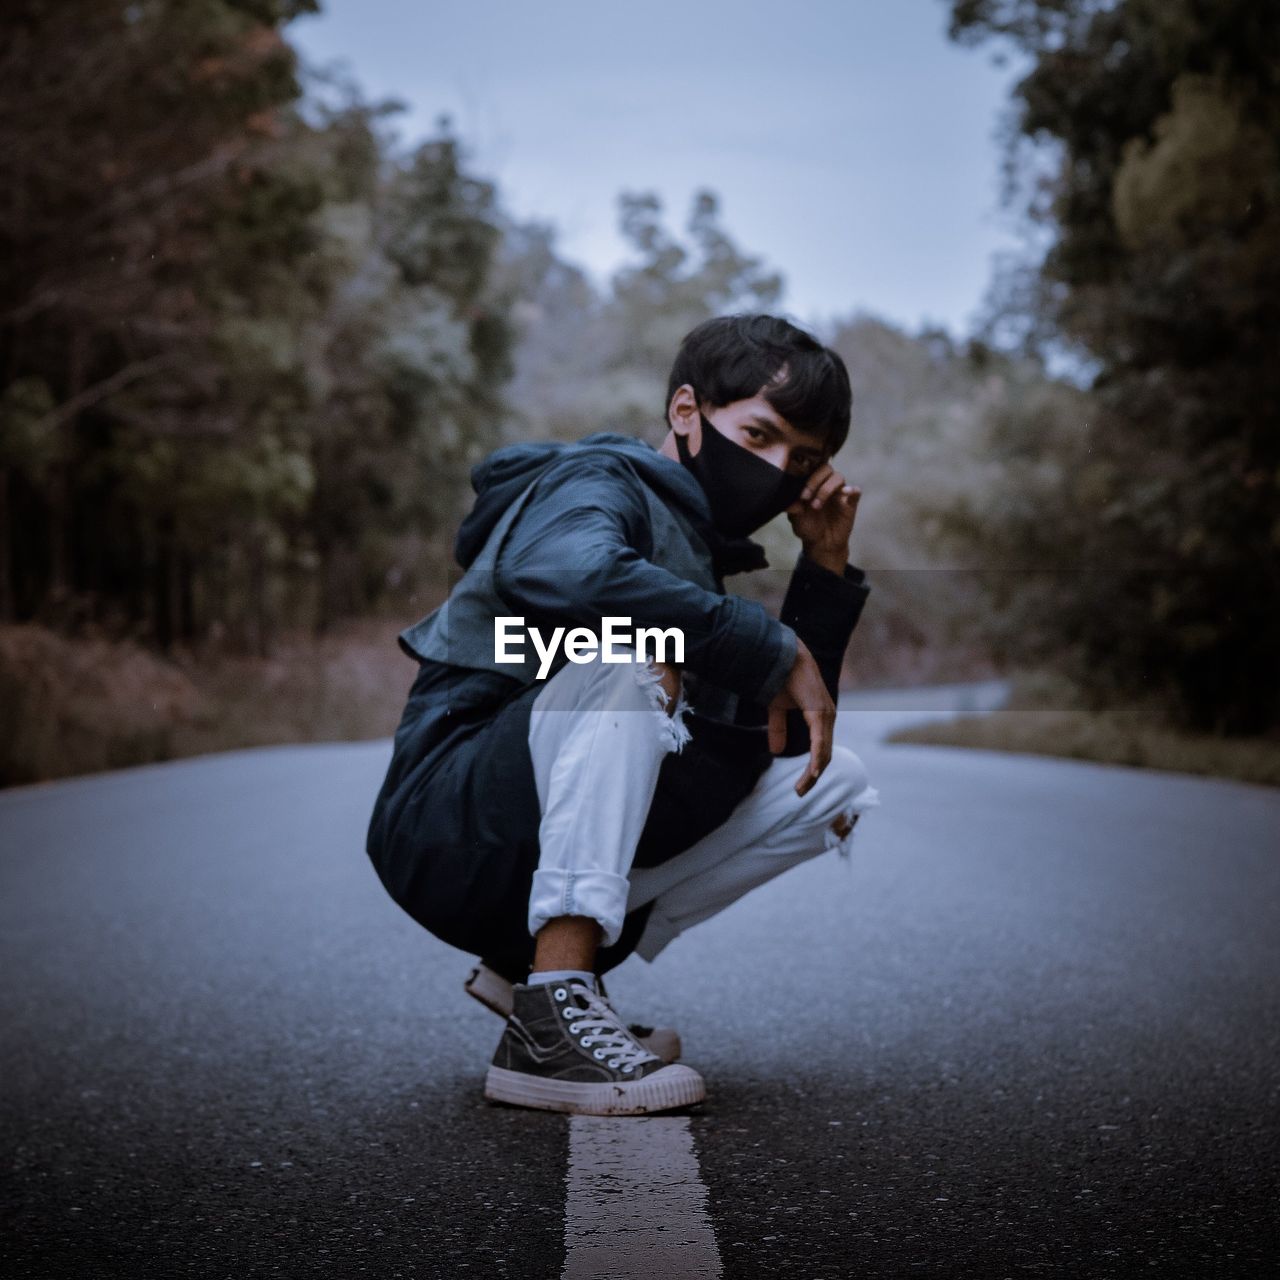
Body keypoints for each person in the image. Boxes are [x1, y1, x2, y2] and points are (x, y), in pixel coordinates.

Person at [366, 313, 879, 1116]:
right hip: (445, 821)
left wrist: (822, 569)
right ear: (686, 412)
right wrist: (755, 640)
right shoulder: (597, 481)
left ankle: (533, 971)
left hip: (519, 843)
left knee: (833, 783)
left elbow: (784, 738)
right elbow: (571, 575)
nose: (777, 469)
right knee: (635, 654)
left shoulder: (702, 564)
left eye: (803, 459)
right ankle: (557, 1004)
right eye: (760, 434)